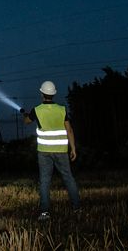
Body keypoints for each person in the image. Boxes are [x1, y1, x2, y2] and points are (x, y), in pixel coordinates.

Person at [21, 80, 81, 221]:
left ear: (42, 94)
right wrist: (73, 148)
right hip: (61, 150)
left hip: (44, 152)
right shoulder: (62, 110)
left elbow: (27, 121)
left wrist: (25, 115)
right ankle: (77, 208)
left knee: (45, 181)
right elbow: (69, 130)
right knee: (68, 178)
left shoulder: (37, 110)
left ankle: (44, 213)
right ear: (53, 94)